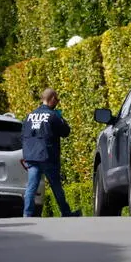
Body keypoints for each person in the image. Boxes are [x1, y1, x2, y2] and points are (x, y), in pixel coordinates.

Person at [22, 88, 81, 217]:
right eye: (57, 99)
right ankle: (65, 212)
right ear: (52, 99)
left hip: (32, 156)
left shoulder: (29, 116)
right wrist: (61, 118)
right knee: (56, 187)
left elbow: (23, 135)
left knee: (31, 186)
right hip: (48, 156)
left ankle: (27, 214)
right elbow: (65, 132)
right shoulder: (53, 116)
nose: (58, 101)